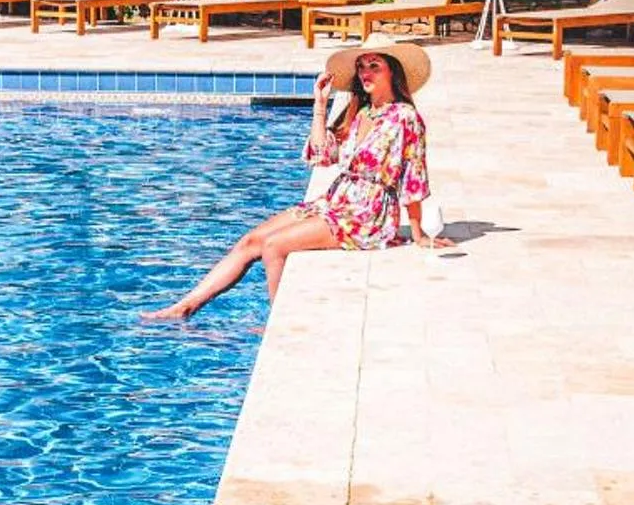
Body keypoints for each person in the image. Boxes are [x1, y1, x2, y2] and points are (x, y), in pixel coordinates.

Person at [151, 40, 446, 323]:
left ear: (392, 71)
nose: (365, 73)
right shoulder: (360, 112)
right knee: (251, 241)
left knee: (274, 246)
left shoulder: (405, 117)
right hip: (335, 200)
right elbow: (322, 155)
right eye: (361, 67)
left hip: (367, 213)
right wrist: (320, 104)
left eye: (374, 66)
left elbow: (414, 174)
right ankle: (184, 306)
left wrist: (418, 232)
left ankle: (277, 323)